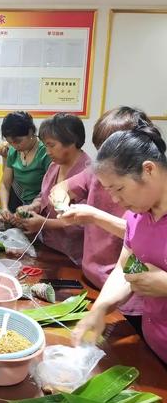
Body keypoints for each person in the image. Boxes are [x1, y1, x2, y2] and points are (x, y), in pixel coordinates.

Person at [50, 107, 153, 328]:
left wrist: (94, 216)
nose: (116, 200)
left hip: (128, 299)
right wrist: (61, 204)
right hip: (96, 281)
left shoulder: (147, 193)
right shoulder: (98, 171)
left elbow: (137, 236)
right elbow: (62, 188)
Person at [72, 126, 167, 364]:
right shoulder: (137, 214)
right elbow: (125, 268)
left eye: (119, 189)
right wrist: (100, 309)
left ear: (148, 170)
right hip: (155, 347)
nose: (115, 200)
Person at [15, 114, 90, 265]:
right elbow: (44, 195)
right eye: (45, 145)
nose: (47, 151)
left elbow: (85, 221)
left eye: (51, 145)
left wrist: (44, 223)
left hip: (72, 254)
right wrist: (32, 207)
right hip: (49, 245)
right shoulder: (54, 165)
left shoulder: (88, 172)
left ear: (72, 141)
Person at [0, 111, 51, 219]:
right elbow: (5, 184)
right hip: (20, 202)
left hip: (43, 207)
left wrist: (32, 208)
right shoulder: (13, 151)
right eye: (10, 142)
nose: (14, 146)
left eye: (18, 141)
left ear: (31, 132)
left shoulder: (45, 153)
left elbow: (50, 191)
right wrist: (4, 208)